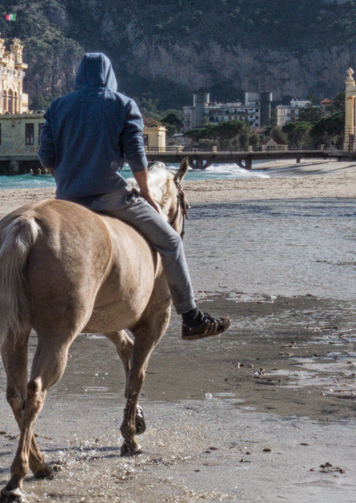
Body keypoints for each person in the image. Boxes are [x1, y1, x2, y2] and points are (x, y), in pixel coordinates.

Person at [37, 52, 228, 340]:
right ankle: (190, 316)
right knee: (172, 241)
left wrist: (67, 178)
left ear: (78, 75)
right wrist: (146, 191)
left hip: (67, 200)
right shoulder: (123, 104)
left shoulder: (57, 107)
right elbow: (137, 156)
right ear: (109, 75)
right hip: (111, 197)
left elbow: (46, 158)